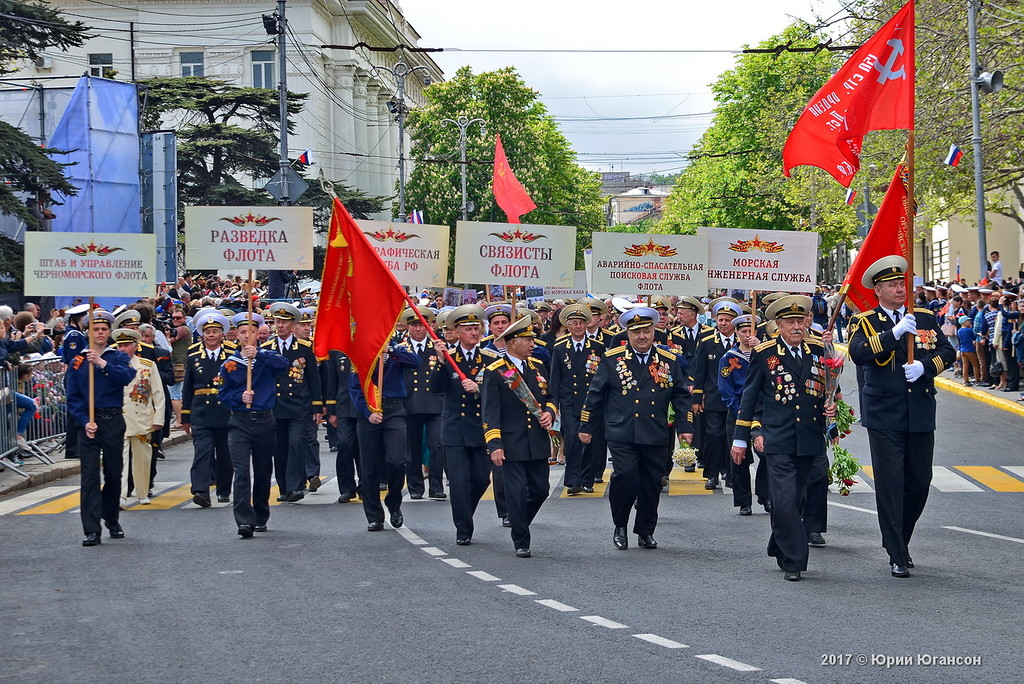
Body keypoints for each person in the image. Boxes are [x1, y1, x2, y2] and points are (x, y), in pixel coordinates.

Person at [848, 256, 955, 577]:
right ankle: (896, 552)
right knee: (891, 483)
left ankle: (900, 539)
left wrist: (925, 366)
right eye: (892, 285)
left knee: (920, 482)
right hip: (884, 414)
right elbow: (858, 353)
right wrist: (894, 333)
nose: (899, 289)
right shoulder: (865, 321)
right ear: (877, 290)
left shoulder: (923, 316)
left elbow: (947, 352)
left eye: (902, 283)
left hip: (920, 410)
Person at [731, 296, 836, 581]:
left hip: (809, 438)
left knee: (796, 499)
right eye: (790, 322)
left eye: (800, 321)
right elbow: (749, 398)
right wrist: (743, 437)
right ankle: (795, 560)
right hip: (778, 438)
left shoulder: (817, 349)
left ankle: (778, 543)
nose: (796, 326)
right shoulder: (765, 354)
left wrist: (831, 407)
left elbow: (827, 389)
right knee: (786, 500)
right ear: (778, 325)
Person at [579, 307, 693, 551]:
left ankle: (645, 530)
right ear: (627, 334)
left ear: (654, 332)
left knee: (653, 482)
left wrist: (686, 426)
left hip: (654, 430)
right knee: (627, 475)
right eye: (637, 332)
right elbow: (595, 394)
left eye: (647, 331)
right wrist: (586, 425)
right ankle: (620, 524)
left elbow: (681, 396)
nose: (642, 336)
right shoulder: (612, 359)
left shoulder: (668, 360)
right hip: (623, 430)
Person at [481, 316, 557, 558]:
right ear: (512, 342)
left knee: (540, 490)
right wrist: (495, 444)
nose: (532, 343)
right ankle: (521, 539)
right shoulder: (495, 372)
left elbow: (552, 397)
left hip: (536, 441)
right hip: (511, 442)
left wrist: (549, 413)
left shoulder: (538, 367)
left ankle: (519, 520)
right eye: (527, 339)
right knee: (514, 491)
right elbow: (490, 411)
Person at [429, 305, 501, 545]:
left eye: (476, 328)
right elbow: (435, 388)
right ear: (456, 332)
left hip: (480, 428)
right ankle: (463, 527)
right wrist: (440, 362)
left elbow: (499, 393)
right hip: (455, 428)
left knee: (481, 479)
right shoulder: (448, 357)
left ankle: (465, 512)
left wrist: (478, 389)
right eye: (467, 329)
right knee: (458, 482)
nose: (473, 333)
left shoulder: (490, 359)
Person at [65, 310, 137, 546]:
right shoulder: (78, 362)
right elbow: (73, 397)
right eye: (96, 329)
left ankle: (111, 518)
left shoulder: (117, 357)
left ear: (109, 332)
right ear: (88, 332)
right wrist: (85, 421)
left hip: (112, 419)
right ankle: (91, 528)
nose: (100, 333)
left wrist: (102, 363)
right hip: (89, 423)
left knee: (114, 473)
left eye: (104, 329)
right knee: (89, 477)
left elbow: (126, 376)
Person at [218, 313, 290, 538]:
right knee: (241, 472)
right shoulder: (230, 364)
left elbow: (284, 365)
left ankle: (260, 514)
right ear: (236, 336)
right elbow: (223, 393)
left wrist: (259, 354)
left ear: (258, 335)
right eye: (242, 332)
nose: (246, 336)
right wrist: (240, 397)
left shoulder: (267, 357)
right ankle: (243, 521)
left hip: (264, 420)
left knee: (262, 470)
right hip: (239, 423)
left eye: (251, 332)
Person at [264, 302, 324, 502]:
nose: (280, 325)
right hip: (275, 407)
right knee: (279, 448)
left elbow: (313, 378)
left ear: (293, 325)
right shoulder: (266, 348)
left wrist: (317, 405)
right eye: (277, 321)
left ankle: (296, 487)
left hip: (299, 404)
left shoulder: (305, 348)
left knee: (296, 443)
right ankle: (283, 487)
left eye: (285, 322)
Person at [550, 303, 606, 495]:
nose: (578, 326)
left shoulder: (597, 347)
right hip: (569, 402)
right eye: (574, 323)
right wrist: (554, 405)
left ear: (586, 324)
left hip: (591, 403)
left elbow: (603, 376)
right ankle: (573, 480)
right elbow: (555, 378)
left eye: (581, 322)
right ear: (568, 325)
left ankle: (587, 479)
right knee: (573, 440)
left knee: (590, 441)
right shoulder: (559, 347)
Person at [718, 314, 768, 516]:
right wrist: (739, 409)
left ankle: (766, 496)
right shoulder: (729, 357)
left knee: (766, 455)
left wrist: (760, 349)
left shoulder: (765, 354)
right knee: (739, 458)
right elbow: (725, 389)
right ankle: (743, 500)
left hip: (762, 413)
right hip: (738, 413)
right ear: (736, 333)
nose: (747, 335)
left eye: (751, 331)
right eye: (743, 332)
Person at [181, 313, 233, 507]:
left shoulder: (232, 353)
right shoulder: (193, 353)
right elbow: (188, 387)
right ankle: (201, 490)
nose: (211, 335)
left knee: (225, 453)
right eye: (207, 332)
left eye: (215, 332)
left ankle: (224, 489)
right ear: (202, 334)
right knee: (202, 451)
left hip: (225, 411)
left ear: (222, 334)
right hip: (201, 411)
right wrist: (185, 415)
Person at [691, 298, 742, 489]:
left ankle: (730, 473)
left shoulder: (742, 343)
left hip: (736, 401)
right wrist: (697, 398)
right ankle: (711, 474)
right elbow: (699, 372)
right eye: (720, 320)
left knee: (733, 437)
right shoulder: (706, 342)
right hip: (713, 399)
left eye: (727, 320)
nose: (723, 324)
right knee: (713, 436)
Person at [113, 328, 166, 507]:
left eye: (127, 345)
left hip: (141, 417)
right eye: (120, 345)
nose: (122, 349)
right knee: (120, 458)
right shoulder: (110, 364)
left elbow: (158, 394)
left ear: (135, 347)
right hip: (118, 418)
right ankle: (120, 494)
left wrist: (159, 419)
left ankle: (142, 491)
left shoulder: (147, 365)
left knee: (143, 458)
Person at [401, 307, 446, 500]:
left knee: (436, 445)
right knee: (412, 448)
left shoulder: (437, 347)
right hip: (410, 403)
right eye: (414, 326)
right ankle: (415, 486)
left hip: (434, 403)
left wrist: (442, 357)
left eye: (421, 325)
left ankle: (436, 486)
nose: (418, 329)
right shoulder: (401, 347)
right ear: (408, 328)